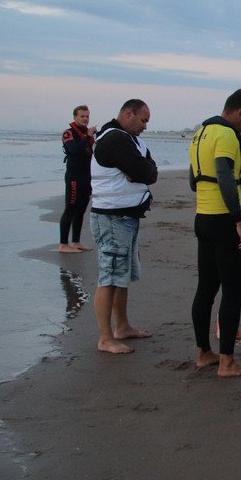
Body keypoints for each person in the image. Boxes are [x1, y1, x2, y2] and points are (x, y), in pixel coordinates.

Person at [188, 88, 241, 378]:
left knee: (206, 287)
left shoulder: (200, 133)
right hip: (223, 222)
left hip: (202, 217)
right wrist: (239, 219)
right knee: (233, 289)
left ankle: (204, 352)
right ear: (239, 111)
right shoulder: (227, 135)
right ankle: (227, 362)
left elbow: (195, 181)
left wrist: (238, 195)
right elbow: (223, 173)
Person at [89, 99, 158, 354]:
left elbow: (151, 171)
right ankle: (105, 337)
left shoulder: (131, 140)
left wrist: (141, 170)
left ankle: (122, 326)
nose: (145, 126)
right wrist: (140, 170)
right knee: (109, 275)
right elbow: (145, 170)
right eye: (143, 120)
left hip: (126, 218)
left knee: (122, 274)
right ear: (128, 114)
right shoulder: (114, 139)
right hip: (111, 218)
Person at [59, 104, 97, 253]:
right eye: (82, 116)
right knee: (70, 209)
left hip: (87, 177)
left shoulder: (88, 134)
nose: (85, 119)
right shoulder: (68, 133)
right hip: (74, 177)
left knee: (81, 210)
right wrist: (88, 136)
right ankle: (63, 244)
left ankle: (76, 241)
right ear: (75, 117)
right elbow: (73, 150)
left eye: (87, 116)